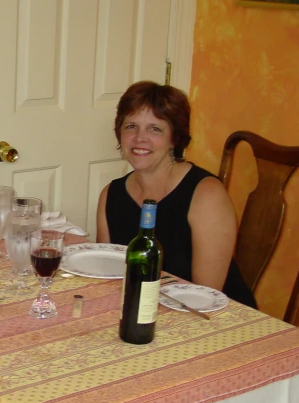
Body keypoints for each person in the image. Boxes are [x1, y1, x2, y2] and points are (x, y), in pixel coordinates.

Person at [96, 80, 256, 308]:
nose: (140, 138)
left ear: (174, 139)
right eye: (131, 126)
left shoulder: (206, 194)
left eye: (155, 128)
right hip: (143, 311)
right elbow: (110, 279)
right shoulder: (110, 195)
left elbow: (205, 295)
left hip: (214, 319)